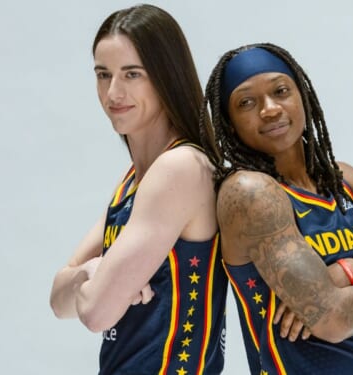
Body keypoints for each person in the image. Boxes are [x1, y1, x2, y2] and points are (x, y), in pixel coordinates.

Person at [199, 43, 353, 374]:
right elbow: (330, 319)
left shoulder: (345, 181)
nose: (269, 109)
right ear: (229, 123)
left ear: (302, 96)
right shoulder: (251, 194)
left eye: (280, 91)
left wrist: (352, 272)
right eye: (246, 102)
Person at [49, 5, 227, 374]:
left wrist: (94, 284)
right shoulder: (135, 179)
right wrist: (90, 272)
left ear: (165, 76)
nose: (113, 92)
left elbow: (96, 313)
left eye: (132, 74)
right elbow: (59, 302)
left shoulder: (179, 168)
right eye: (103, 74)